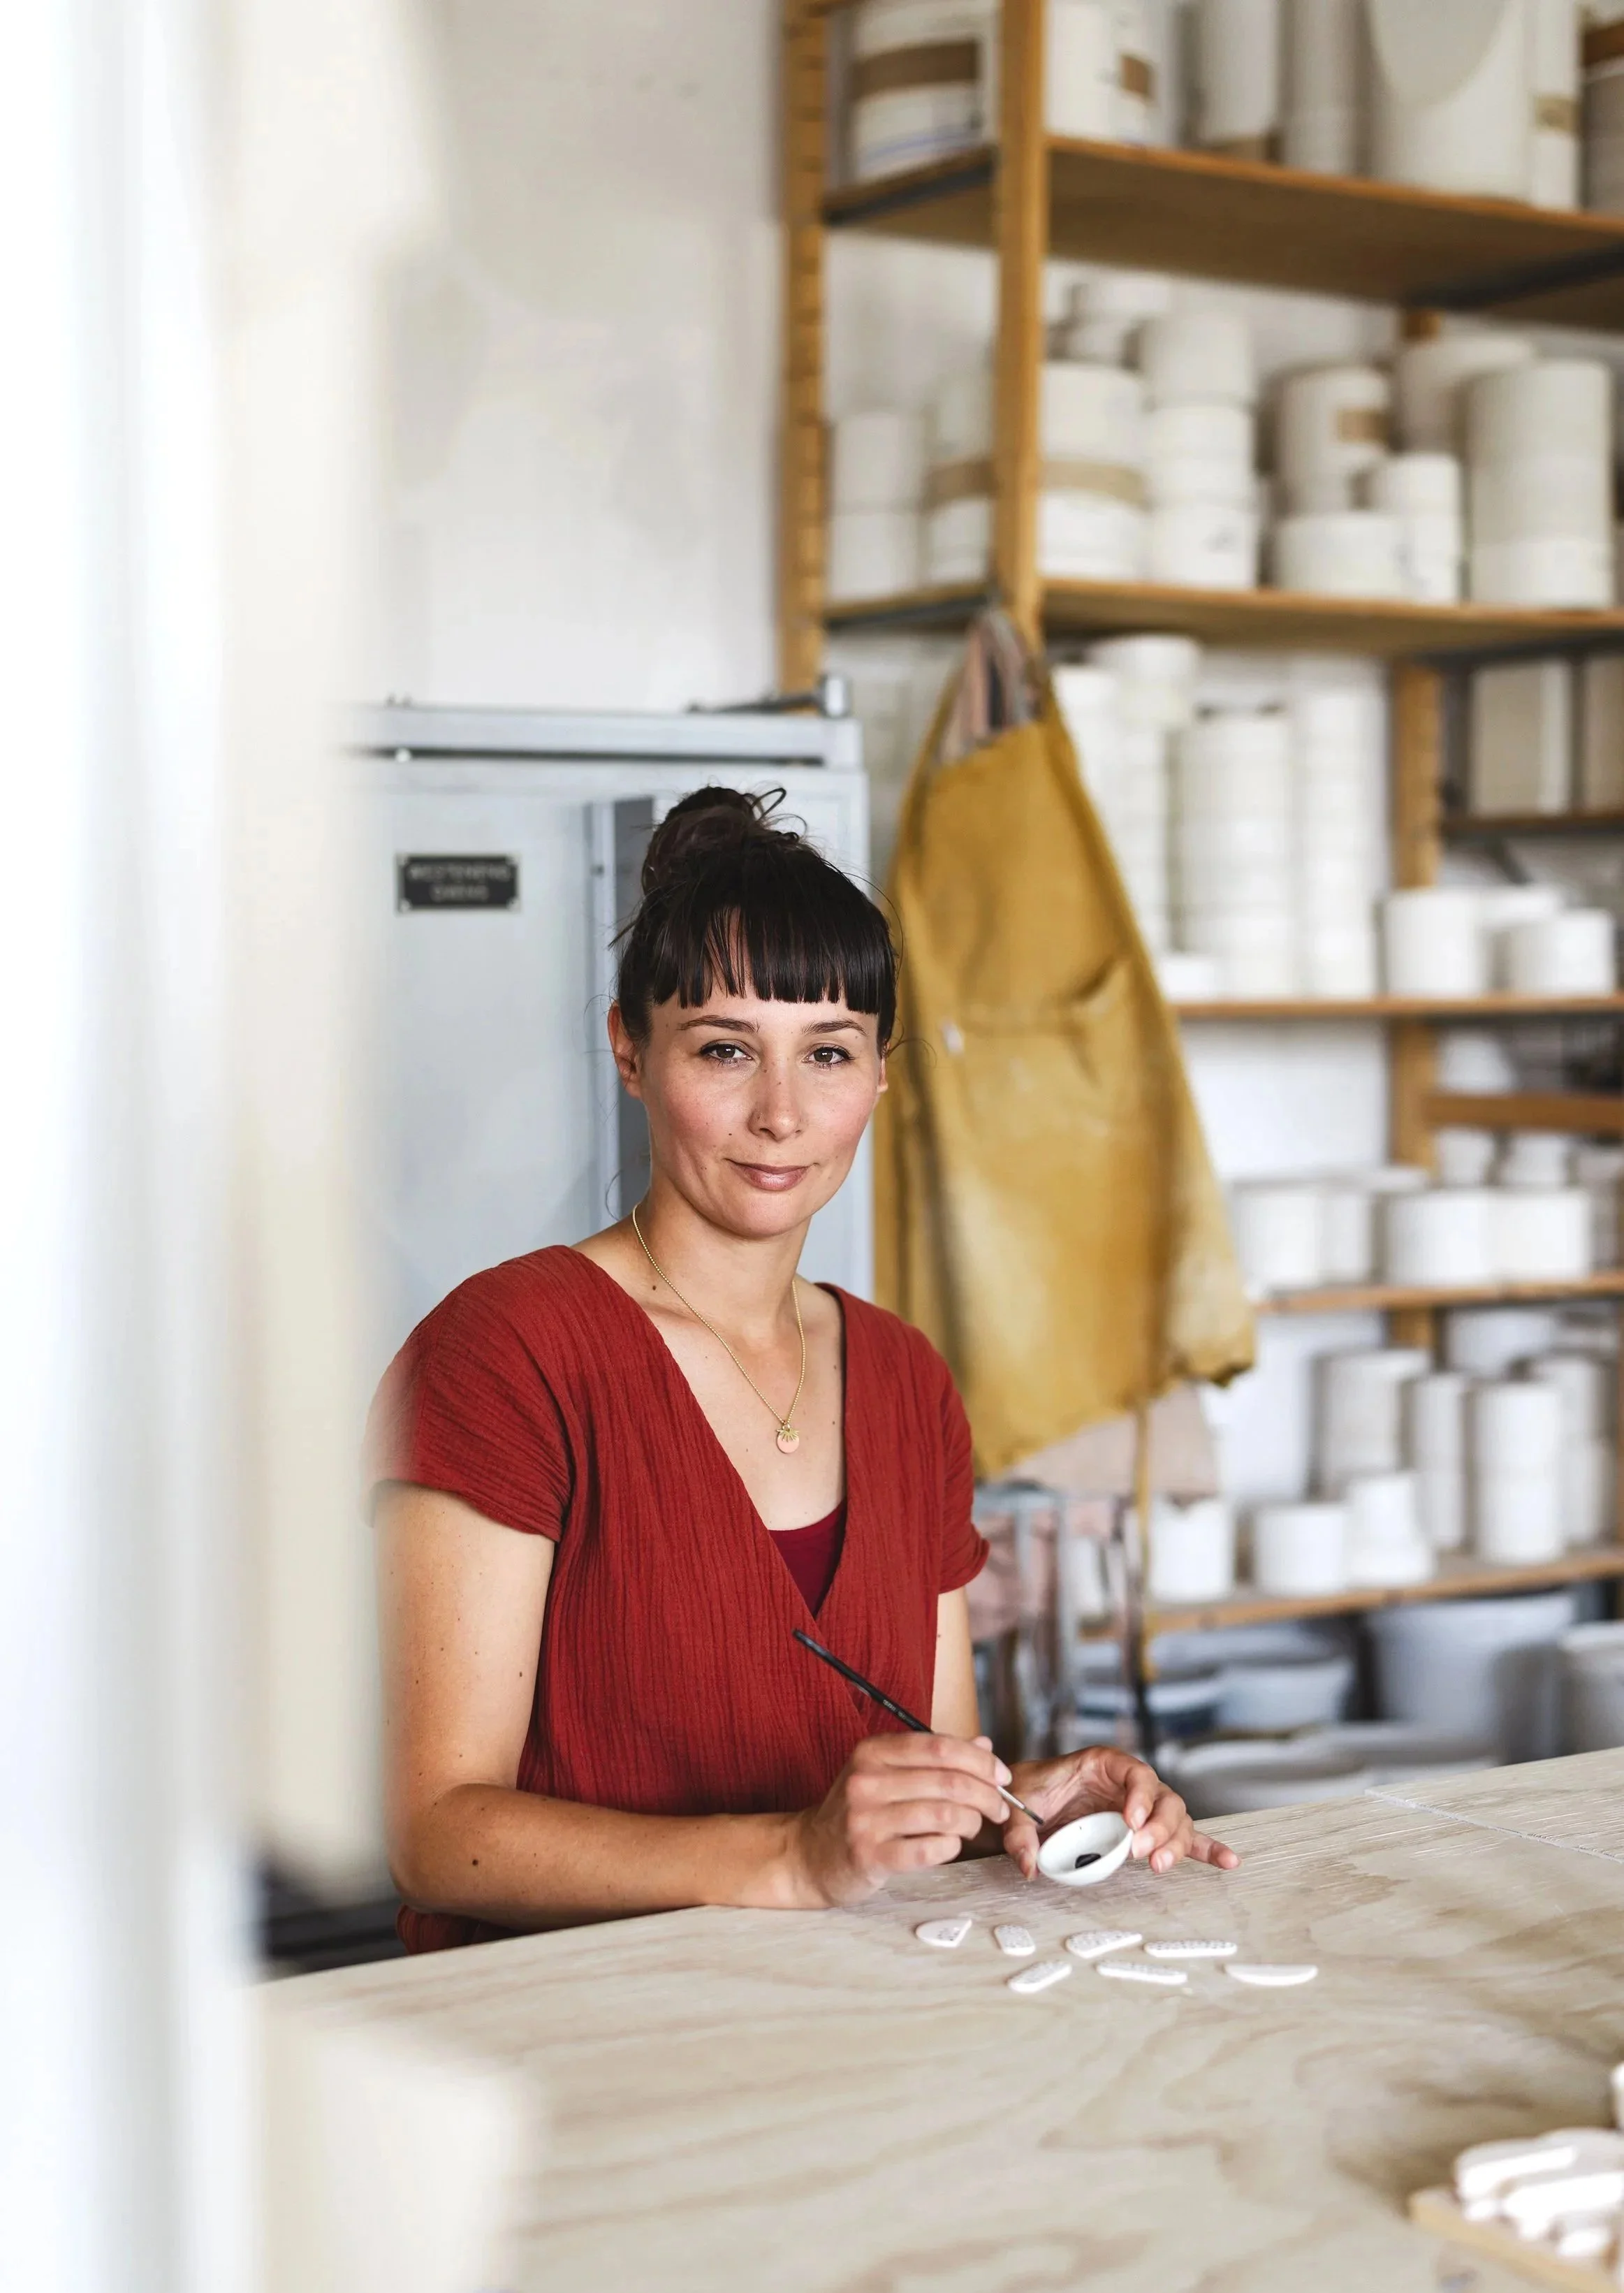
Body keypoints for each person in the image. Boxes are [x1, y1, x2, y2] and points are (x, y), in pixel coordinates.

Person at [370, 787, 1238, 1949]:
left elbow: (923, 1776)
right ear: (631, 1052)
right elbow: (437, 1832)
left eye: (827, 1053)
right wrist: (792, 1855)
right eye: (725, 1049)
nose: (780, 1113)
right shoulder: (504, 1353)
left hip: (836, 2030)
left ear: (879, 1074)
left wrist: (1026, 1803)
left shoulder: (903, 1377)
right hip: (570, 2051)